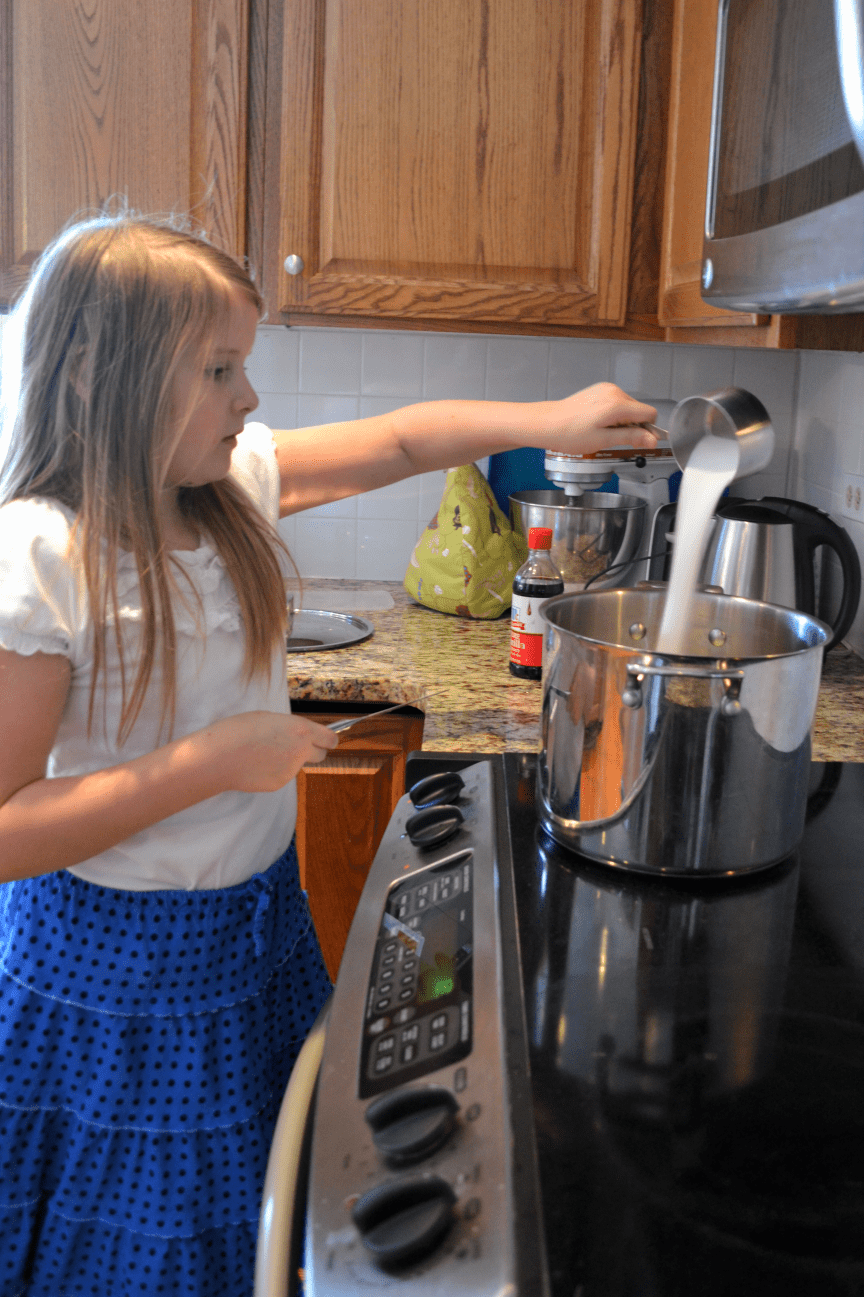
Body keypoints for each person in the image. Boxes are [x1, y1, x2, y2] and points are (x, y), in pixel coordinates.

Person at [0, 213, 658, 1296]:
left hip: (250, 940)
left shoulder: (227, 498)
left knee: (242, 1223)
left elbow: (402, 440)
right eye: (218, 370)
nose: (248, 399)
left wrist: (558, 417)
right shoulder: (44, 555)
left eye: (242, 367)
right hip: (113, 977)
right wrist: (210, 761)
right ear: (95, 377)